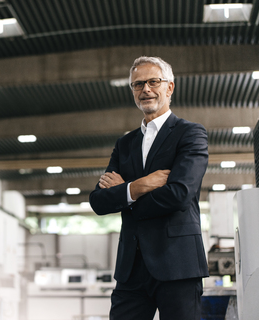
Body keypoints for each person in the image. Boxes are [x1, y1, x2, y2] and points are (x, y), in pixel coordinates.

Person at [89, 56, 209, 320]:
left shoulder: (190, 134)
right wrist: (140, 185)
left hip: (178, 265)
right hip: (131, 269)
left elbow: (179, 195)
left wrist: (125, 195)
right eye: (138, 84)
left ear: (170, 87)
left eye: (153, 81)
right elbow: (98, 201)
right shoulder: (125, 144)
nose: (145, 89)